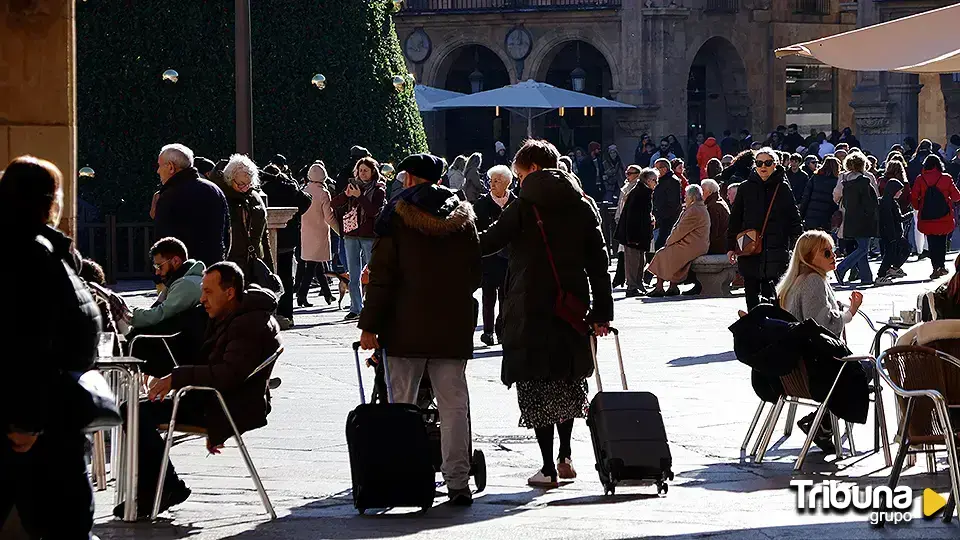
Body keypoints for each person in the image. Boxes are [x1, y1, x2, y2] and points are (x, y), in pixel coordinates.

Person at [478, 139, 613, 489]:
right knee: (568, 380)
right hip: (570, 308)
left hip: (530, 308)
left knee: (536, 384)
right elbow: (600, 265)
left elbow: (488, 242)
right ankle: (566, 456)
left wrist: (453, 235)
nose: (517, 181)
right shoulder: (583, 204)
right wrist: (602, 313)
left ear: (533, 170)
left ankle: (547, 468)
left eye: (519, 174)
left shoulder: (523, 207)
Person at [113, 262, 281, 520]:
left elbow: (228, 374)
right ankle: (161, 487)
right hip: (217, 399)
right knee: (135, 409)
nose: (202, 298)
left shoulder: (246, 325)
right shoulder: (234, 315)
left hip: (226, 404)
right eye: (202, 291)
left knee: (134, 412)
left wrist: (177, 378)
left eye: (208, 292)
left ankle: (162, 489)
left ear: (230, 292)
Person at [358, 153, 480, 506]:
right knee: (454, 406)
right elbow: (474, 274)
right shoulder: (463, 217)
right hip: (451, 326)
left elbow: (382, 276)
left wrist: (370, 325)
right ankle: (458, 481)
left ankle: (403, 476)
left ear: (409, 179)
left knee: (402, 406)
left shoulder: (395, 216)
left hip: (404, 325)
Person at [0, 156, 101, 538]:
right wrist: (28, 421)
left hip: (46, 414)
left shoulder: (40, 249)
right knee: (66, 521)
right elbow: (25, 342)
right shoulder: (28, 254)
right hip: (38, 420)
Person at [775, 230, 865, 452]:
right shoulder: (814, 281)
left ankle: (822, 423)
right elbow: (824, 326)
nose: (833, 256)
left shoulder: (792, 283)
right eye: (826, 252)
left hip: (794, 369)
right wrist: (850, 313)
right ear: (808, 257)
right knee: (867, 370)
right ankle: (821, 422)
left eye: (833, 251)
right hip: (816, 368)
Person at [727, 148, 802, 308]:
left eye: (768, 163)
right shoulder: (745, 188)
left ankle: (773, 327)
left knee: (774, 295)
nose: (763, 166)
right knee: (751, 294)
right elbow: (735, 219)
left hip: (776, 247)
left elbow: (794, 219)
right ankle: (753, 327)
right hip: (750, 248)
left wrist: (799, 245)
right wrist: (730, 246)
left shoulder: (782, 188)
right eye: (759, 163)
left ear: (775, 165)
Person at [123, 237, 207, 376]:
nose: (157, 272)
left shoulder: (186, 284)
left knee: (129, 341)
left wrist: (128, 315)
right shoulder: (181, 281)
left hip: (178, 349)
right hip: (176, 342)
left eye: (159, 266)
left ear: (175, 261)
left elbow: (160, 314)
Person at [153, 143, 230, 268]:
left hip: (181, 271)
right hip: (212, 268)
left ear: (171, 167)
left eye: (160, 166)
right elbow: (226, 234)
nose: (158, 171)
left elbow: (163, 241)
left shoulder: (169, 196)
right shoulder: (214, 190)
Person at [331, 156, 386, 319]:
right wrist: (347, 195)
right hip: (351, 234)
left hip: (369, 235)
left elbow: (373, 212)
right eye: (360, 170)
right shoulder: (352, 186)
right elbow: (334, 204)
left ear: (373, 172)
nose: (362, 173)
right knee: (353, 274)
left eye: (366, 171)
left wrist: (360, 196)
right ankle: (356, 308)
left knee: (373, 271)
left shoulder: (378, 189)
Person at [260, 164, 312, 326]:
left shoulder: (261, 189)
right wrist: (295, 216)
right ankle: (287, 313)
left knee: (265, 275)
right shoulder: (288, 187)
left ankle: (269, 311)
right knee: (286, 277)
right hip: (288, 239)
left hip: (266, 239)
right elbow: (306, 201)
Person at [475, 165, 517, 345]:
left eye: (497, 181)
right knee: (488, 296)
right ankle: (488, 331)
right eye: (491, 181)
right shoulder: (482, 204)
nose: (492, 184)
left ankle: (502, 329)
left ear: (507, 183)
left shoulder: (515, 202)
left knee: (506, 297)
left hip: (510, 258)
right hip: (489, 258)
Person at [647, 185, 711, 297]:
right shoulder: (697, 208)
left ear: (692, 197)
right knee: (670, 254)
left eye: (686, 196)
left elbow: (680, 230)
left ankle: (659, 287)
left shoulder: (694, 210)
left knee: (662, 254)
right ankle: (672, 286)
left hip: (693, 245)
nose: (684, 198)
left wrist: (669, 241)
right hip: (693, 243)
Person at [221, 154, 274, 283]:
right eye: (240, 184)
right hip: (231, 262)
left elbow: (264, 235)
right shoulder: (222, 198)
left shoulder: (255, 198)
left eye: (249, 183)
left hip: (254, 261)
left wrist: (269, 265)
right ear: (229, 179)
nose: (245, 187)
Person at [834, 152, 879, 286]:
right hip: (864, 220)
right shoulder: (864, 182)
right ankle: (841, 268)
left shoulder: (845, 181)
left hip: (849, 218)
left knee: (861, 248)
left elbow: (838, 197)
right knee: (863, 248)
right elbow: (871, 202)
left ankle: (866, 277)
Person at [913, 154, 960, 279]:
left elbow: (914, 197)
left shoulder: (920, 179)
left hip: (927, 216)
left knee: (931, 242)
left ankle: (935, 267)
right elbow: (956, 196)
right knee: (942, 241)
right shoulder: (946, 178)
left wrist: (919, 207)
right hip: (944, 216)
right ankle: (941, 265)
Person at [298, 163, 339, 306]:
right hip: (320, 231)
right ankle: (302, 295)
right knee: (313, 265)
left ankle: (327, 294)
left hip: (306, 230)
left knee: (315, 263)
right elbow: (329, 217)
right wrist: (339, 231)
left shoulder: (304, 190)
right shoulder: (323, 193)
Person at [615, 167, 657, 297]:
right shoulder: (639, 192)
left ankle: (638, 284)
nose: (656, 183)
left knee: (640, 260)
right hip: (633, 234)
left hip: (639, 233)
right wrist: (632, 237)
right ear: (647, 180)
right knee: (633, 261)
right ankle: (632, 286)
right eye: (654, 180)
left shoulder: (644, 191)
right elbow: (632, 216)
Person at [876, 178, 912, 284]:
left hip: (891, 233)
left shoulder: (888, 201)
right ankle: (881, 274)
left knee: (898, 250)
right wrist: (911, 214)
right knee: (891, 253)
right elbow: (892, 220)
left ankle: (892, 269)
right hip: (891, 234)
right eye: (899, 190)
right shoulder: (888, 203)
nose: (901, 193)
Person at [799, 156, 841, 232]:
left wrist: (801, 214)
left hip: (811, 214)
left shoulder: (815, 178)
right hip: (826, 216)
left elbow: (806, 197)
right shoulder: (837, 181)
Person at [652, 158, 683, 251]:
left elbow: (673, 203)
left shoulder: (672, 181)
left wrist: (661, 217)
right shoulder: (661, 180)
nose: (654, 171)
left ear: (664, 169)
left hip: (667, 220)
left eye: (656, 168)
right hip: (661, 218)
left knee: (661, 246)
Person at [702, 179, 730, 256]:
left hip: (718, 248)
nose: (701, 193)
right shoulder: (717, 202)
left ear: (710, 192)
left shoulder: (714, 206)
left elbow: (713, 230)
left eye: (703, 190)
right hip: (722, 245)